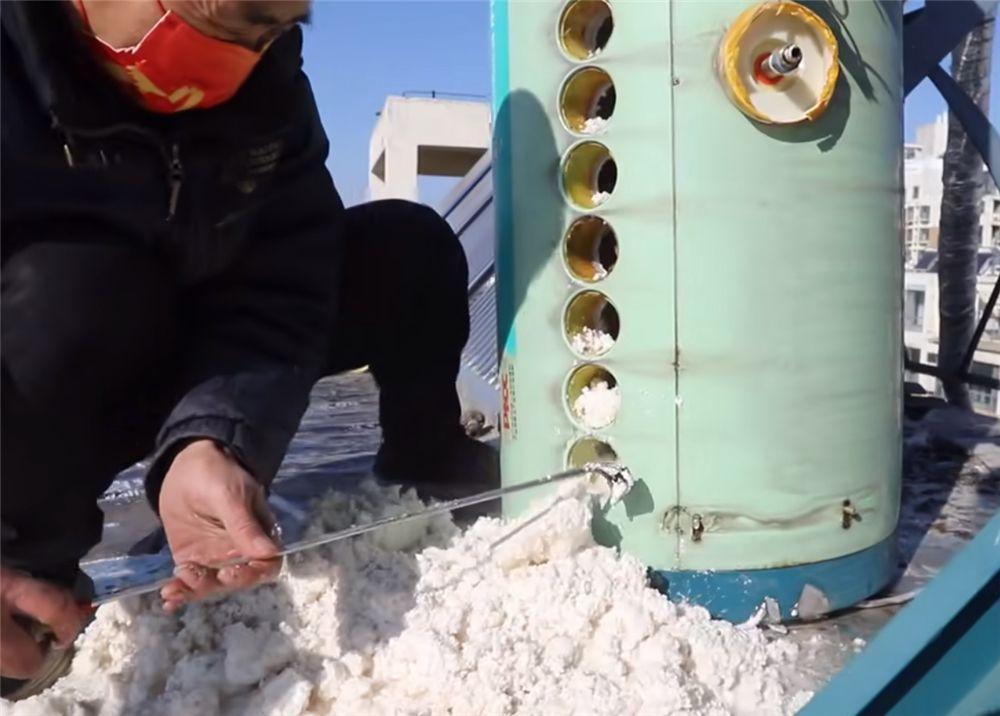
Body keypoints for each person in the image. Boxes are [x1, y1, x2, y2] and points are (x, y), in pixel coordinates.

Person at [0, 0, 497, 691]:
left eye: (277, 28)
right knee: (74, 291)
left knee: (406, 249)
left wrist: (217, 436)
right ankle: (27, 593)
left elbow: (286, 272)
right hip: (53, 359)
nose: (250, 53)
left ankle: (428, 478)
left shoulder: (268, 89)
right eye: (235, 22)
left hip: (203, 347)